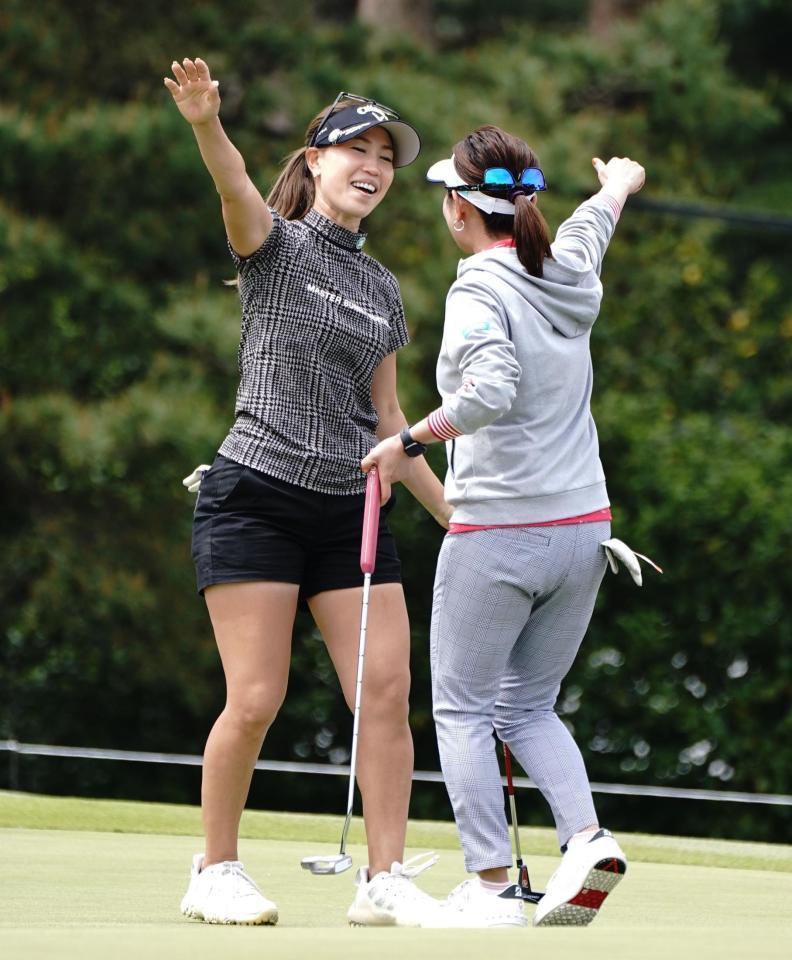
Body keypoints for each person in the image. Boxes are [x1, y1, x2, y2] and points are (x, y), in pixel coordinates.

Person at [163, 57, 450, 928]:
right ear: (317, 161)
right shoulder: (273, 246)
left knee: (389, 695)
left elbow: (391, 422)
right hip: (255, 495)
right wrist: (208, 121)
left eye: (386, 157)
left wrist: (463, 517)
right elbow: (235, 184)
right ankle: (214, 870)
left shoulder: (383, 289)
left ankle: (386, 879)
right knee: (254, 700)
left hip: (348, 509)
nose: (373, 166)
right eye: (355, 149)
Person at [362, 125, 646, 928]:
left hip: (500, 533)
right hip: (585, 531)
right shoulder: (569, 268)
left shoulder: (477, 288)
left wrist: (407, 441)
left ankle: (491, 886)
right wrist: (616, 184)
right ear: (523, 204)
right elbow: (592, 225)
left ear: (458, 209)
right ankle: (587, 839)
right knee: (528, 706)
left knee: (461, 710)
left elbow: (487, 391)